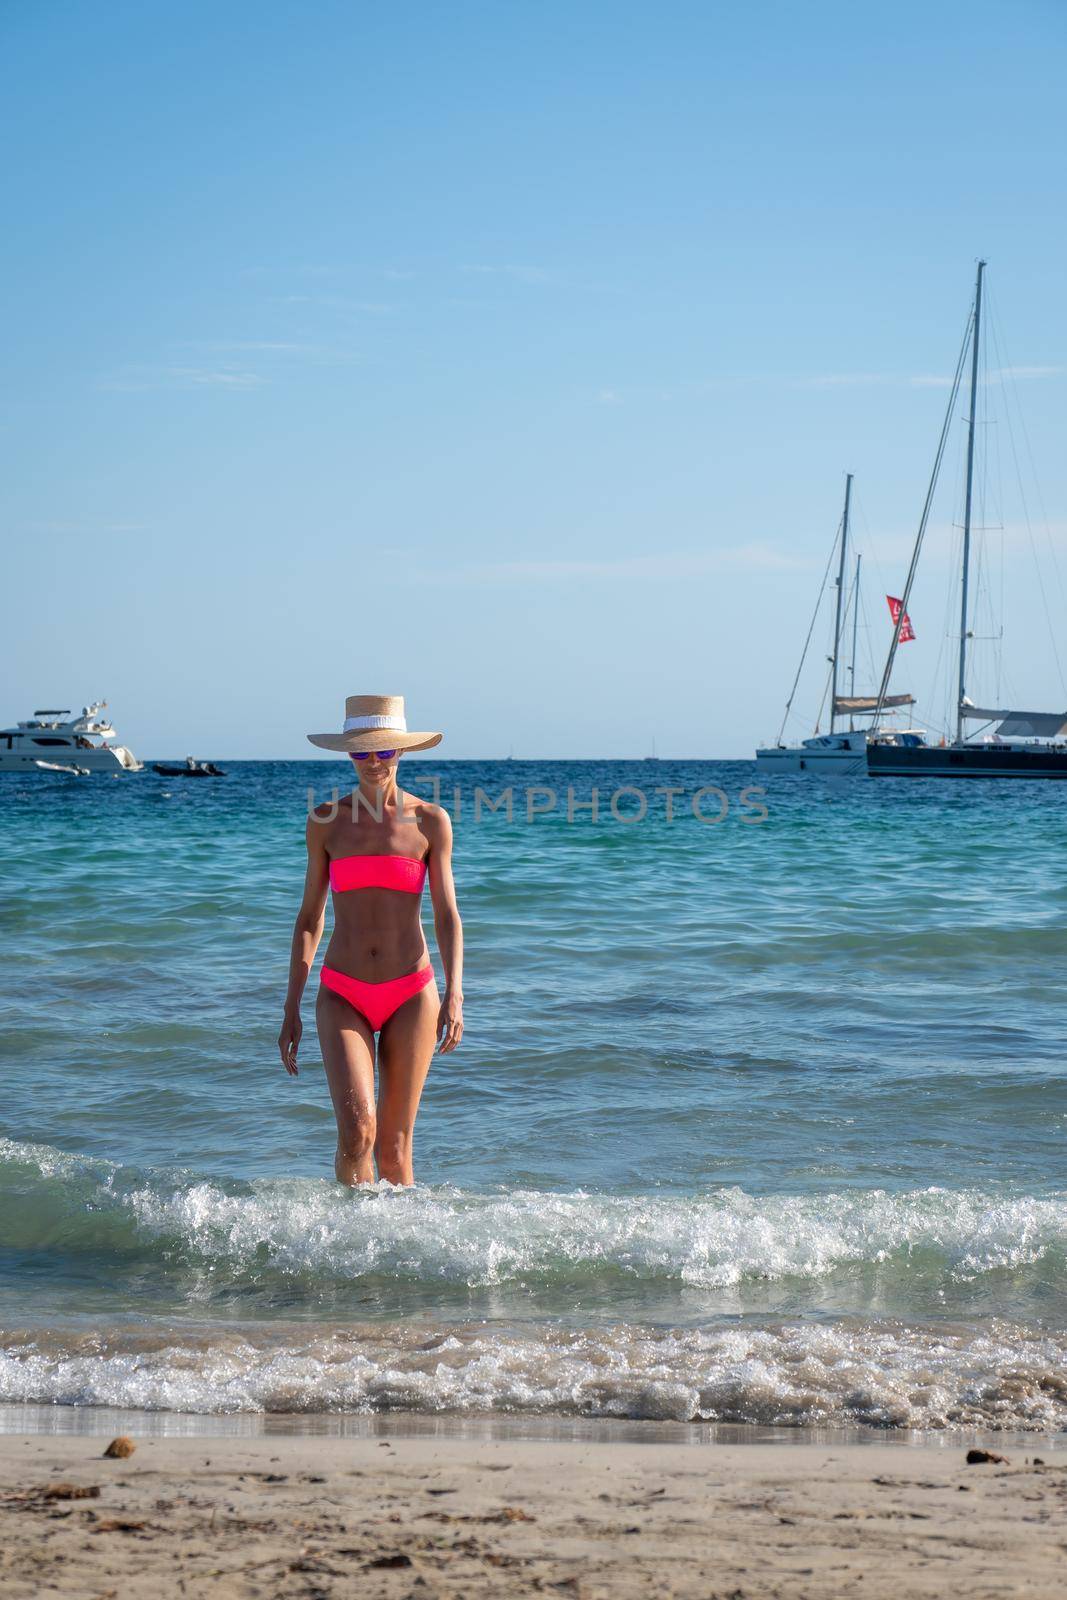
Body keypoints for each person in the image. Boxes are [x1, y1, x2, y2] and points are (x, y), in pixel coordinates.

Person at [278, 694, 463, 1187]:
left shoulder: (430, 821)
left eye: (385, 751)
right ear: (348, 754)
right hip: (343, 991)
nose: (374, 762)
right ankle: (345, 1245)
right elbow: (309, 920)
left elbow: (447, 915)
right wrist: (291, 1005)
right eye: (362, 752)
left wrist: (454, 992)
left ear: (402, 752)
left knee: (395, 1149)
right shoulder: (325, 821)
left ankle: (396, 1253)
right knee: (357, 1134)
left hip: (412, 991)